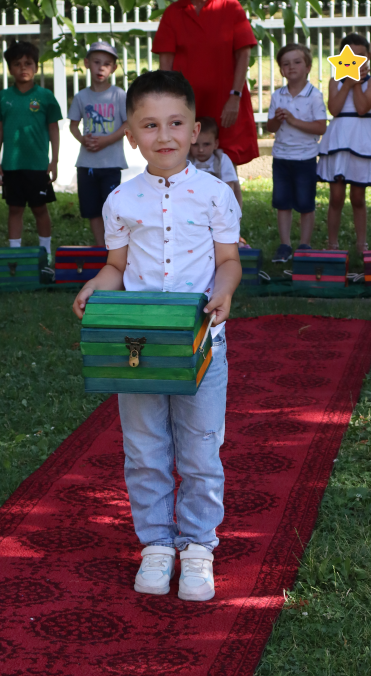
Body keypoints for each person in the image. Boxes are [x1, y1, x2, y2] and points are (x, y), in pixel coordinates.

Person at [73, 70, 241, 602]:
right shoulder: (121, 201)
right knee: (145, 450)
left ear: (195, 129)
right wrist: (94, 287)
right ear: (130, 134)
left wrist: (224, 292)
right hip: (139, 351)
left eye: (175, 123)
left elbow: (229, 261)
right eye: (149, 125)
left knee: (200, 450)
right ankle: (156, 544)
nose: (163, 135)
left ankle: (198, 546)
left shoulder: (216, 195)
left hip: (202, 347)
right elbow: (116, 267)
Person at [152, 0, 258, 166]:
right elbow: (165, 65)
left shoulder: (231, 7)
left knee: (226, 161)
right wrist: (168, 103)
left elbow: (244, 54)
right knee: (183, 160)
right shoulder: (173, 13)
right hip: (186, 101)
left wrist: (235, 96)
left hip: (225, 99)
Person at [317, 33, 371, 253]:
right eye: (351, 56)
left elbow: (362, 108)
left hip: (362, 142)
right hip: (339, 141)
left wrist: (356, 84)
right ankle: (332, 243)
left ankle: (361, 244)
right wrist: (348, 83)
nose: (356, 60)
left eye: (361, 56)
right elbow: (334, 109)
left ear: (369, 56)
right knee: (336, 196)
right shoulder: (335, 82)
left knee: (358, 197)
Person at [0, 41, 62, 253]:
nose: (23, 68)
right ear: (10, 69)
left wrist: (54, 160)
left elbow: (54, 129)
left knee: (40, 208)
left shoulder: (46, 97)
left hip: (38, 165)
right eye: (17, 64)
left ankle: (45, 253)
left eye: (28, 63)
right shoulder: (3, 97)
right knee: (15, 209)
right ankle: (15, 253)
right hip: (12, 165)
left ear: (36, 67)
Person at [266, 43, 327, 262]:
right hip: (281, 157)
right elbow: (270, 127)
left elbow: (321, 127)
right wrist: (277, 120)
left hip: (305, 159)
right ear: (281, 70)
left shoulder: (314, 96)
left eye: (297, 62)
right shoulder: (277, 95)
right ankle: (285, 245)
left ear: (308, 67)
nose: (291, 67)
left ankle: (304, 245)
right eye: (286, 64)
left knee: (305, 203)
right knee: (282, 203)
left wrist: (293, 120)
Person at [68, 42, 128, 245]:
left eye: (107, 64)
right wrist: (82, 139)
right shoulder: (81, 96)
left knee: (111, 208)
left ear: (114, 68)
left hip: (111, 163)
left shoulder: (119, 95)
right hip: (87, 164)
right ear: (87, 63)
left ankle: (114, 246)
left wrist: (106, 140)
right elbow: (73, 125)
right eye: (96, 62)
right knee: (92, 209)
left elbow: (128, 124)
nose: (101, 68)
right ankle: (101, 247)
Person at [188, 116, 242, 207]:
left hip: (218, 205)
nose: (201, 150)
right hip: (191, 205)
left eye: (206, 144)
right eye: (195, 144)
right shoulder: (185, 160)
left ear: (216, 144)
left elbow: (229, 188)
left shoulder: (222, 159)